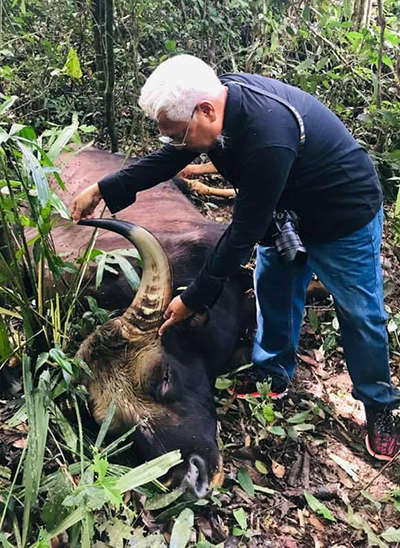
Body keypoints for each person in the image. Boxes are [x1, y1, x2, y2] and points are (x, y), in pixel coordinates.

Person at [71, 54, 400, 461]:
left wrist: (194, 298)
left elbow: (242, 231)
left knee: (359, 313)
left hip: (342, 217)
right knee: (273, 288)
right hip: (287, 210)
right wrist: (104, 188)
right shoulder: (219, 102)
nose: (177, 145)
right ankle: (274, 372)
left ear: (206, 111)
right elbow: (170, 159)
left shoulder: (269, 135)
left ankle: (379, 404)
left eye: (179, 134)